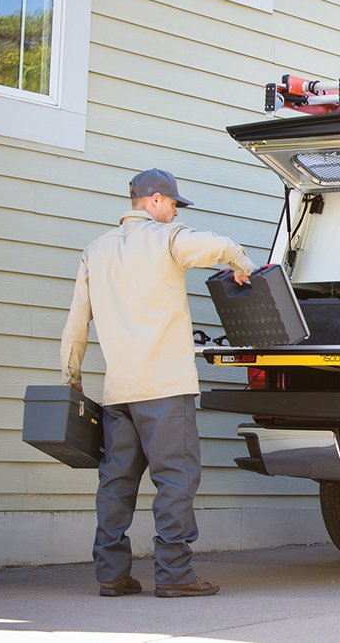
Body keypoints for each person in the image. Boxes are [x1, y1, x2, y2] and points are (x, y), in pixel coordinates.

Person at [60, 169, 256, 598]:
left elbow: (76, 323)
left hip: (119, 393)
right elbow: (221, 246)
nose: (175, 212)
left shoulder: (96, 250)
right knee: (175, 481)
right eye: (172, 203)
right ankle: (175, 574)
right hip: (165, 388)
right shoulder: (167, 238)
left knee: (116, 483)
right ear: (153, 200)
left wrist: (71, 375)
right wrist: (243, 266)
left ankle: (111, 574)